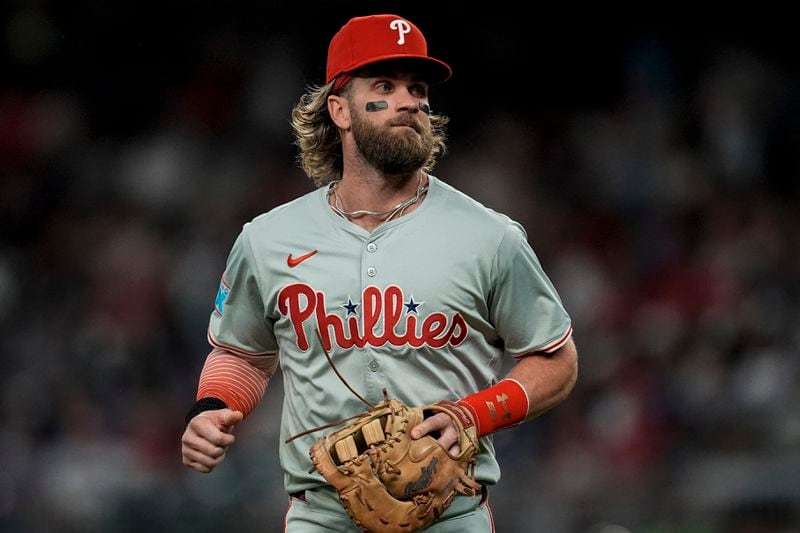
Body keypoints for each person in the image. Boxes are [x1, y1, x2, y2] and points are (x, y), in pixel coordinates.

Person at [181, 13, 578, 532]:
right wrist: (213, 407)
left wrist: (476, 414)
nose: (409, 100)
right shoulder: (268, 239)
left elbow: (555, 358)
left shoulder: (490, 237)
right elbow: (243, 353)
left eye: (417, 88)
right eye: (385, 86)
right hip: (321, 516)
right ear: (339, 110)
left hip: (451, 514)